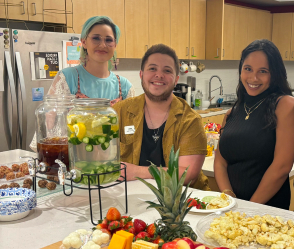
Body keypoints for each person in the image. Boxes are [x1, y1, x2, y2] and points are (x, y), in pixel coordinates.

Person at [214, 39, 294, 210]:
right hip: (232, 210)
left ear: (274, 74)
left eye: (263, 71)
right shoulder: (232, 112)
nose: (253, 78)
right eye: (248, 69)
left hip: (267, 210)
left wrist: (248, 208)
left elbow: (281, 167)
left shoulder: (285, 106)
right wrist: (228, 197)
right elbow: (220, 161)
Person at [112, 44, 209, 190]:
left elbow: (187, 174)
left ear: (176, 79)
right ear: (141, 75)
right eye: (152, 68)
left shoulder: (190, 120)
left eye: (167, 70)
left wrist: (136, 172)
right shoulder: (120, 112)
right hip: (129, 198)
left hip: (183, 204)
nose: (159, 75)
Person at [30, 16, 134, 151]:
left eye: (108, 40)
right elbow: (50, 127)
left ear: (115, 45)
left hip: (111, 161)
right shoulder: (67, 78)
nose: (103, 45)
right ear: (84, 42)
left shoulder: (125, 87)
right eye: (96, 38)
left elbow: (130, 132)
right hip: (73, 161)